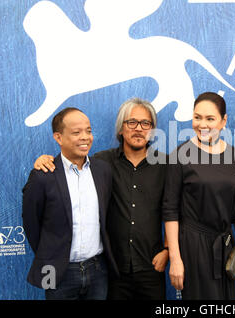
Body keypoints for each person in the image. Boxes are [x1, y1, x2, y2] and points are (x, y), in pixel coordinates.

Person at [32, 98, 168, 300]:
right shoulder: (101, 164)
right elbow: (71, 164)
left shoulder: (166, 165)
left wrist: (167, 250)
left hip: (151, 266)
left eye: (146, 123)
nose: (139, 128)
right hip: (112, 269)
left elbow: (176, 211)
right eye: (132, 123)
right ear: (121, 129)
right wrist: (46, 160)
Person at [22, 107, 119, 300]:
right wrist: (52, 255)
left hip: (98, 270)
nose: (85, 137)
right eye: (76, 132)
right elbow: (32, 224)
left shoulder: (103, 170)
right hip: (59, 273)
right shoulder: (43, 176)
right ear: (58, 138)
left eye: (88, 131)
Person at [163, 92, 235, 300]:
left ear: (223, 121)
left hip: (226, 247)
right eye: (197, 117)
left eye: (210, 119)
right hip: (193, 247)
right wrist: (175, 258)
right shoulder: (180, 156)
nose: (202, 124)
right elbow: (170, 211)